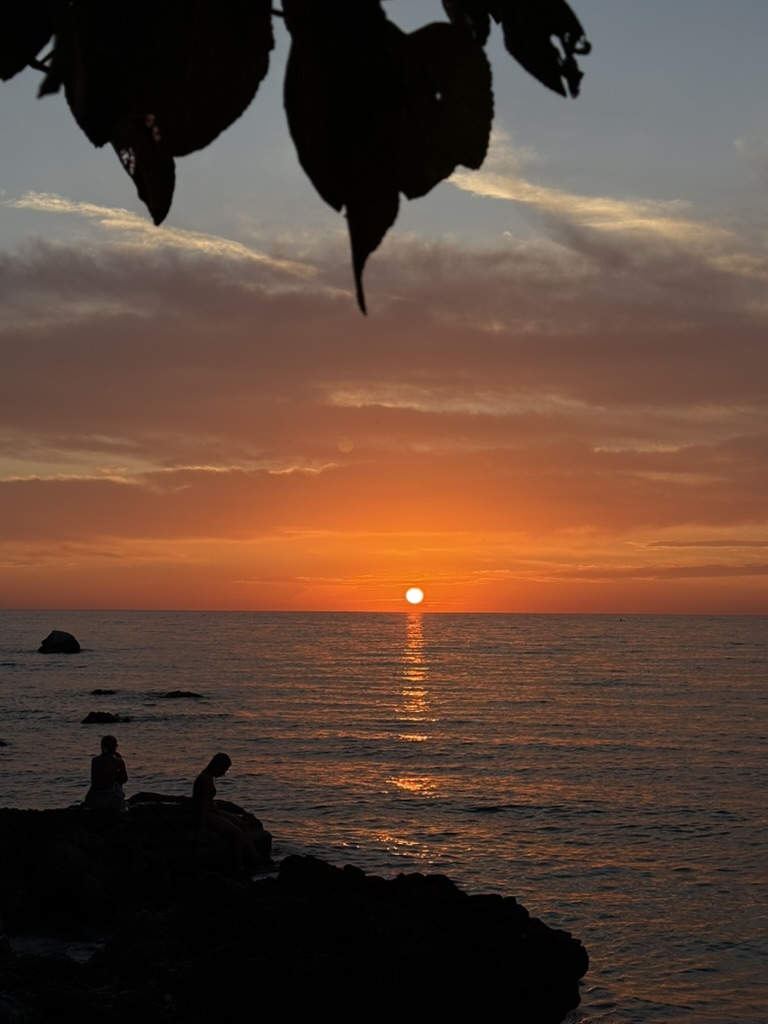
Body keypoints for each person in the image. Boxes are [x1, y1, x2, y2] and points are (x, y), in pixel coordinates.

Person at [192, 753, 257, 874]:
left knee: (242, 825)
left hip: (213, 811)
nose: (224, 773)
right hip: (208, 814)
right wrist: (202, 827)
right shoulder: (205, 780)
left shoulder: (208, 777)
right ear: (217, 766)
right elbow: (201, 805)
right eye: (224, 769)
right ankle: (237, 866)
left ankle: (254, 856)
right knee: (238, 835)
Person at [85, 735, 128, 812]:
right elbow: (124, 779)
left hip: (96, 797)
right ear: (114, 748)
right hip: (111, 797)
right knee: (117, 782)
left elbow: (95, 780)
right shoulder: (119, 762)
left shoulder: (95, 761)